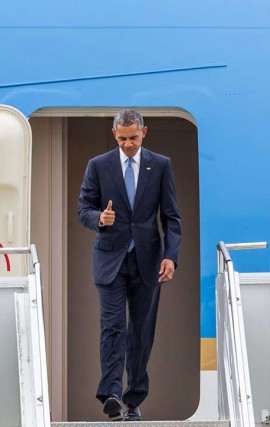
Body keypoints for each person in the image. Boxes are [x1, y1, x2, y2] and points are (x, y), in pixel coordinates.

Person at [77, 109, 182, 421]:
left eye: (133, 138)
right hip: (110, 259)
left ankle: (133, 400)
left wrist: (170, 256)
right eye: (122, 139)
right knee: (113, 327)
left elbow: (172, 218)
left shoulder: (161, 165)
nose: (128, 144)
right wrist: (100, 218)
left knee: (140, 332)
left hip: (148, 261)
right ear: (115, 135)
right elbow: (83, 209)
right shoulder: (98, 166)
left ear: (144, 133)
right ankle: (110, 393)